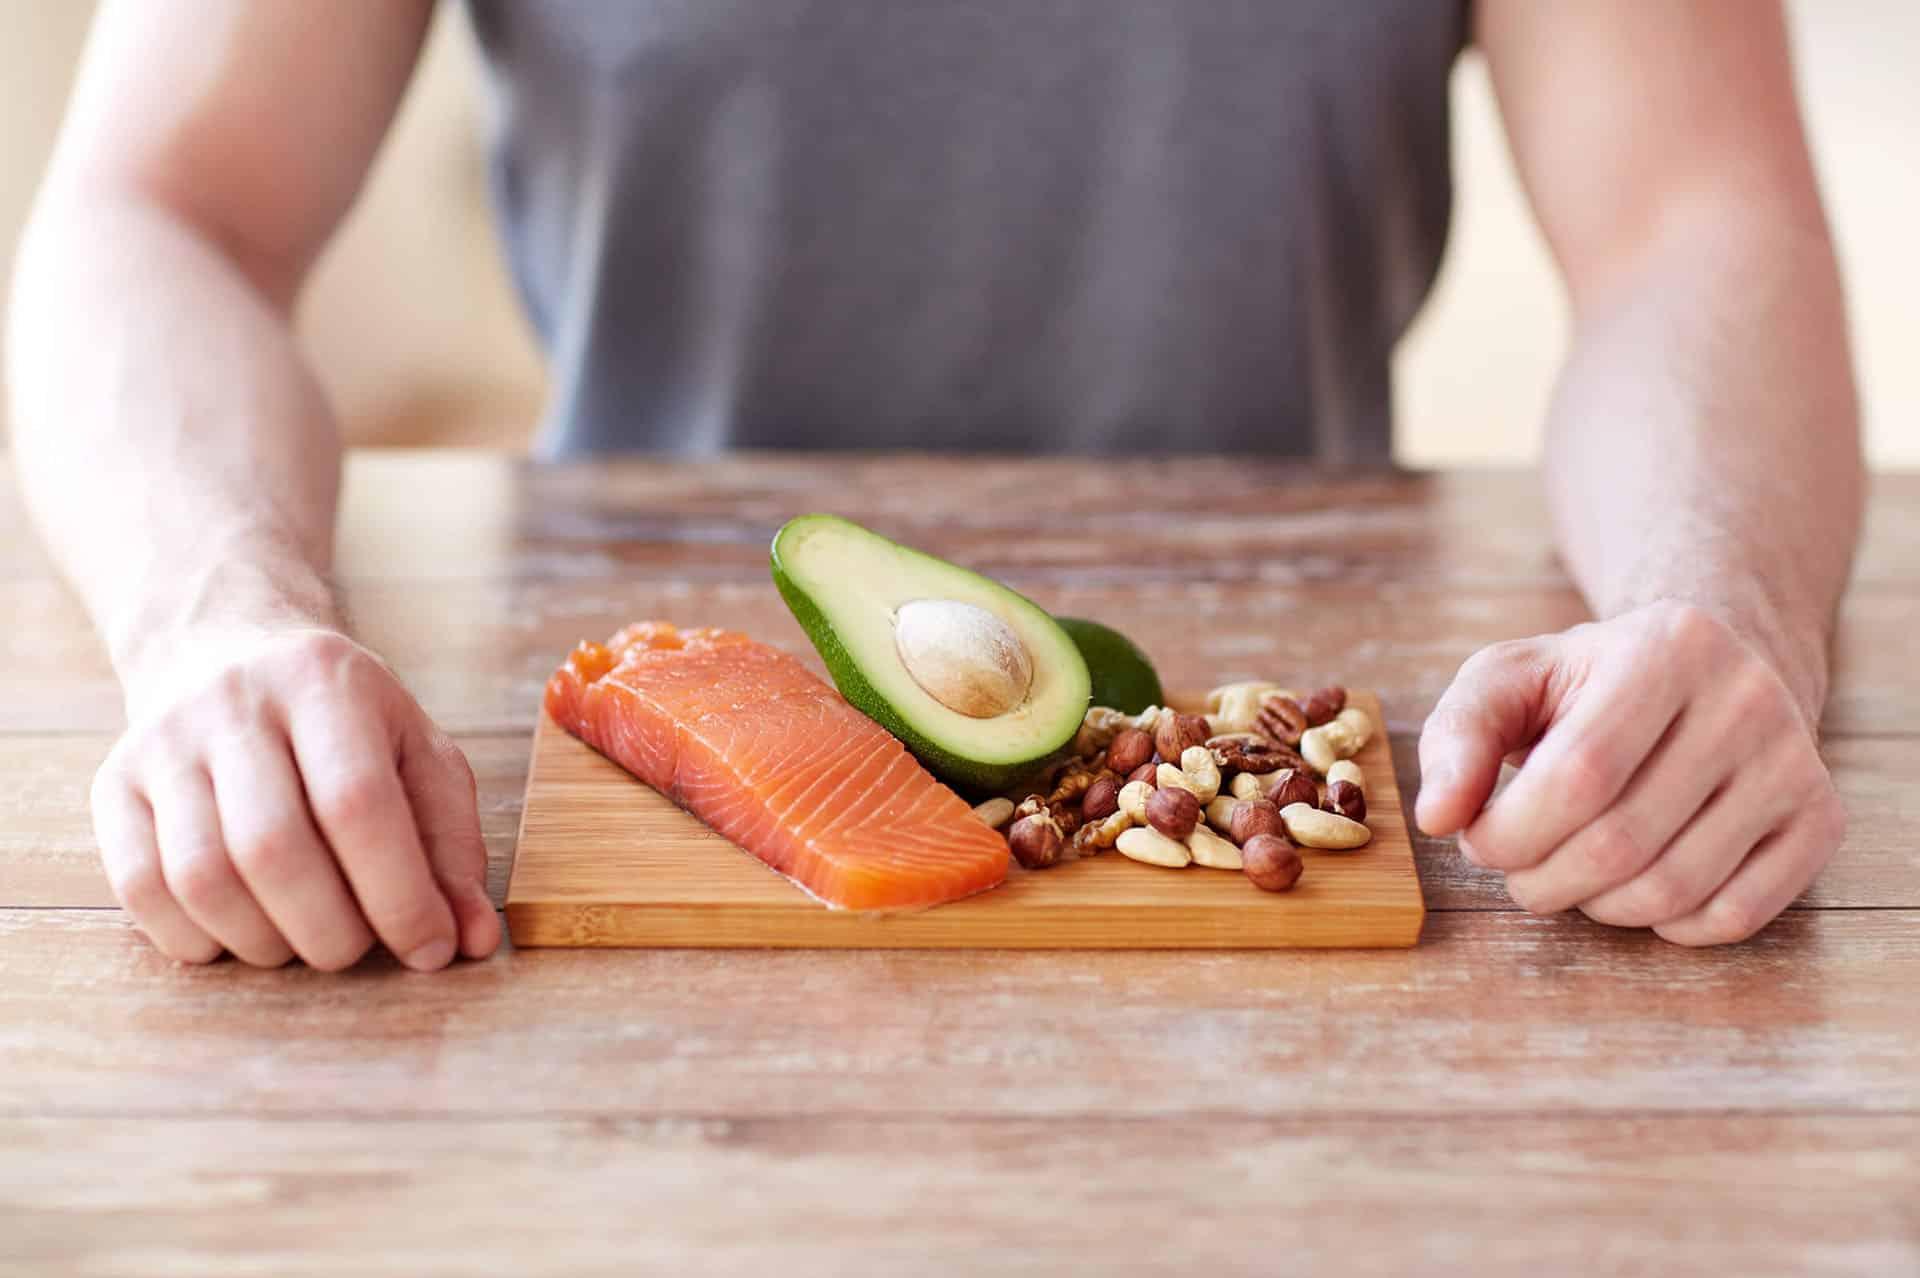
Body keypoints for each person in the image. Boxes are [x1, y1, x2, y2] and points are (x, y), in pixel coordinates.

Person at [7, 1, 1857, 969]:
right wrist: (212, 622)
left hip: (1281, 785)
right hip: (630, 804)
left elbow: (1695, 227)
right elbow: (160, 213)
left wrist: (1724, 612)